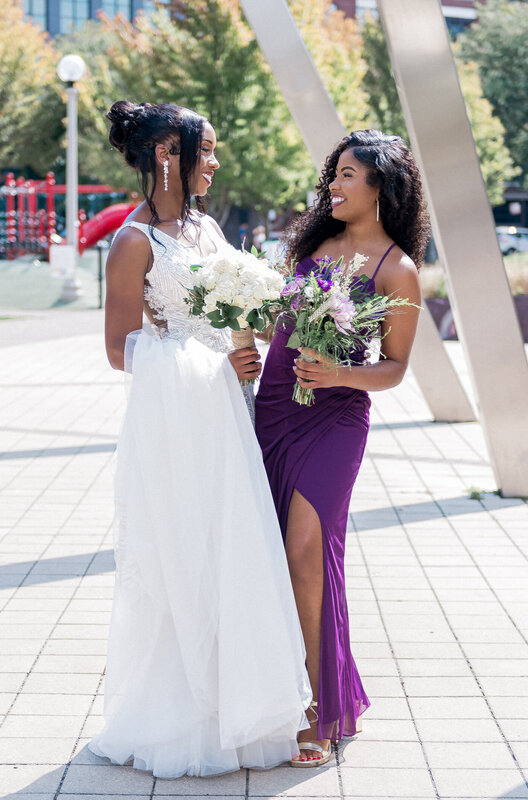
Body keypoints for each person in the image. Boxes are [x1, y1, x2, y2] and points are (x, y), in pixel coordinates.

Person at [92, 100, 311, 778]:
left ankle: (247, 709)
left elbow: (235, 316)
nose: (214, 162)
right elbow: (119, 349)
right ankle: (185, 720)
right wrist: (205, 361)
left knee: (237, 549)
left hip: (230, 411)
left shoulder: (206, 227)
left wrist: (249, 345)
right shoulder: (133, 243)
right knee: (188, 555)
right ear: (167, 153)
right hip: (181, 421)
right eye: (205, 150)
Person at [254, 130, 427, 767]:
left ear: (381, 187)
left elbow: (396, 367)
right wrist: (241, 337)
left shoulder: (397, 269)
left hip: (336, 417)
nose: (333, 184)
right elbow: (277, 322)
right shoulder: (312, 245)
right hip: (276, 407)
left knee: (306, 548)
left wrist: (338, 374)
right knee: (275, 554)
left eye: (347, 175)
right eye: (334, 173)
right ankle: (290, 691)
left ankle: (317, 710)